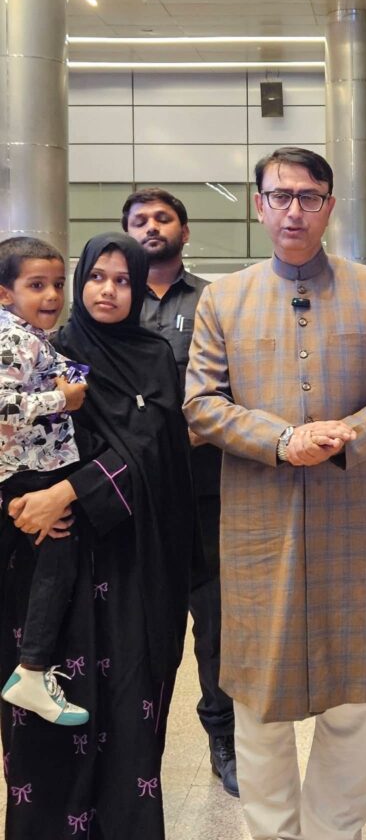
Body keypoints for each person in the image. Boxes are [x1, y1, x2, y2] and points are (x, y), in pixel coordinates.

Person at [183, 147, 366, 840]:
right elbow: (201, 404)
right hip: (259, 526)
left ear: (329, 205)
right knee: (258, 700)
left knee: (354, 702)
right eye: (280, 196)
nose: (294, 209)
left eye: (309, 196)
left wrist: (347, 433)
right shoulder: (223, 299)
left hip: (351, 522)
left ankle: (334, 833)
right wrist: (281, 441)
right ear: (259, 204)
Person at [0, 233, 193, 840]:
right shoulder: (50, 353)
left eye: (124, 280)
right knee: (44, 722)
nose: (107, 290)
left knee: (131, 714)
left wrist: (68, 492)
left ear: (139, 289)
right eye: (97, 278)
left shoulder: (154, 356)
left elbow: (149, 453)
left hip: (134, 559)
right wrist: (22, 503)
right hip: (48, 561)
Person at [121, 187, 237, 798]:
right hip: (133, 498)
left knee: (216, 625)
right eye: (139, 220)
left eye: (162, 218)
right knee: (138, 628)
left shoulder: (216, 301)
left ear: (184, 231)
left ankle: (223, 736)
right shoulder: (111, 300)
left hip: (208, 490)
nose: (151, 228)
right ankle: (136, 745)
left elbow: (232, 387)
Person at [0, 237, 89, 725]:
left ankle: (33, 668)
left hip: (33, 471)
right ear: (4, 293)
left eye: (57, 284)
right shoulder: (10, 338)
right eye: (36, 285)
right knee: (57, 562)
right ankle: (32, 669)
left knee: (57, 563)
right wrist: (64, 401)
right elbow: (3, 409)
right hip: (24, 475)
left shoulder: (33, 336)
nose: (52, 295)